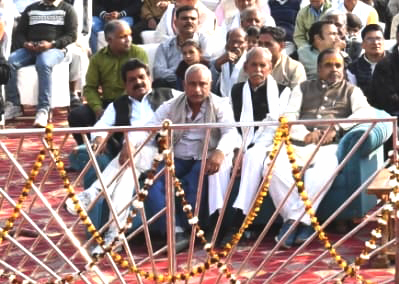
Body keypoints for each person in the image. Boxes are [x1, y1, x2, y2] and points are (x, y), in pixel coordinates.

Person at [268, 48, 377, 247]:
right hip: (298, 143)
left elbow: (366, 113)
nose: (334, 69)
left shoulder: (352, 91)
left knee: (323, 170)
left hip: (328, 146)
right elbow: (289, 115)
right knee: (272, 168)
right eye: (328, 65)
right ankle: (303, 222)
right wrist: (304, 133)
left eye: (338, 65)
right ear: (318, 69)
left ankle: (292, 223)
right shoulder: (302, 88)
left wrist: (336, 128)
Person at [66, 59, 175, 255]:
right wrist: (99, 138)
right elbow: (101, 125)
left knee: (130, 157)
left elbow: (198, 95)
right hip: (131, 159)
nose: (138, 82)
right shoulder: (119, 105)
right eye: (132, 80)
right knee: (124, 182)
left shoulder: (168, 95)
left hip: (162, 152)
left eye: (142, 77)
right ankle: (115, 236)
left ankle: (94, 192)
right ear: (125, 85)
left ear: (150, 78)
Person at [143, 65, 239, 252]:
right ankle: (176, 231)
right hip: (177, 158)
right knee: (153, 182)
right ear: (184, 85)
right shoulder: (171, 105)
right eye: (192, 84)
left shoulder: (220, 104)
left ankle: (193, 231)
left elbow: (230, 131)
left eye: (202, 84)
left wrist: (220, 152)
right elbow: (150, 128)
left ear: (210, 84)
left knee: (196, 180)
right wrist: (159, 137)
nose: (197, 89)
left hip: (204, 156)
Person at [224, 47, 288, 241]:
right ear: (246, 67)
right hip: (239, 142)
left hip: (270, 142)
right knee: (222, 162)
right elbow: (231, 124)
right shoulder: (236, 90)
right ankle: (216, 221)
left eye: (262, 65)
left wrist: (249, 148)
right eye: (254, 65)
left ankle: (238, 221)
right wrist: (238, 148)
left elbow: (275, 125)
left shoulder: (283, 91)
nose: (258, 70)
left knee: (252, 156)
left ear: (270, 67)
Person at [4, 0, 78, 126]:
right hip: (31, 48)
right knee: (10, 62)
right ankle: (14, 104)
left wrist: (51, 44)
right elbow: (20, 32)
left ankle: (43, 109)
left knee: (43, 62)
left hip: (55, 49)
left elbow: (72, 35)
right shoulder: (31, 8)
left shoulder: (67, 9)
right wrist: (25, 43)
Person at [68, 20, 147, 132]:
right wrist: (98, 109)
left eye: (129, 35)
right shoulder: (98, 58)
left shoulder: (138, 53)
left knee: (121, 115)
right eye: (123, 37)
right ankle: (91, 143)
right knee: (77, 116)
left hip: (131, 101)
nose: (128, 39)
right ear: (109, 40)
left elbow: (139, 83)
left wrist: (115, 108)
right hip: (107, 103)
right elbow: (90, 88)